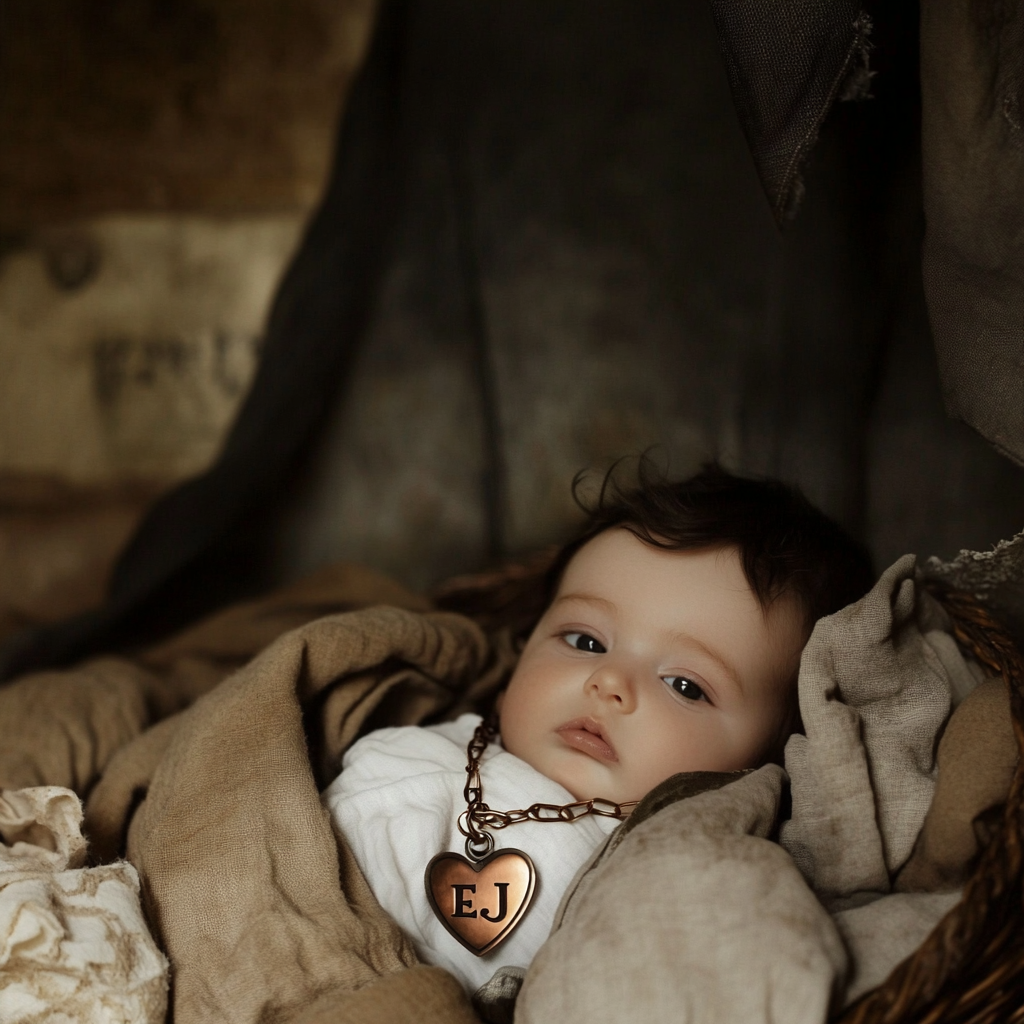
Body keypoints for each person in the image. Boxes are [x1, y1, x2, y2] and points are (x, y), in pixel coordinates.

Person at [322, 463, 873, 994]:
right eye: (585, 641)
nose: (609, 681)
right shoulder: (407, 758)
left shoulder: (690, 874)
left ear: (769, 758)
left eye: (685, 685)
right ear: (521, 651)